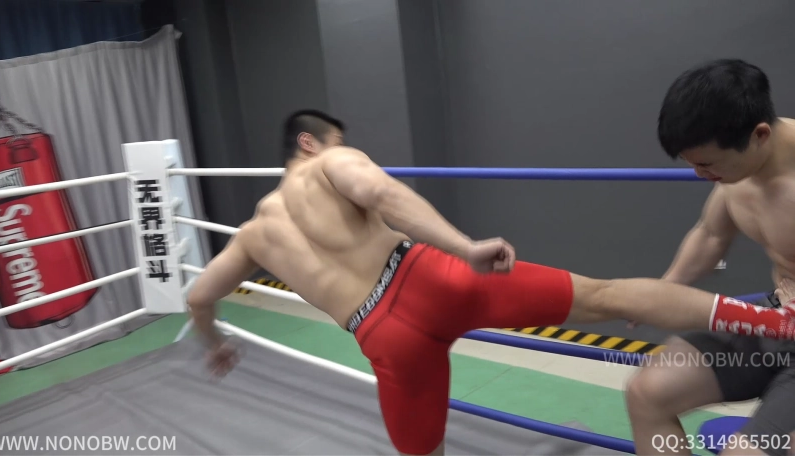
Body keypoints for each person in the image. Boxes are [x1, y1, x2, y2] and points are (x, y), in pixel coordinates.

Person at [186, 108, 795, 456]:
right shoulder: (329, 161)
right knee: (603, 296)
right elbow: (382, 192)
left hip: (381, 336)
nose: (346, 147)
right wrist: (464, 247)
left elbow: (198, 297)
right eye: (338, 140)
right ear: (310, 141)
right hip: (431, 279)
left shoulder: (251, 236)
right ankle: (773, 319)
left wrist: (214, 343)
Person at [625, 59, 795, 456]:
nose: (700, 175)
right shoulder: (739, 170)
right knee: (647, 393)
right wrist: (664, 289)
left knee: (744, 452)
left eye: (707, 164)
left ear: (759, 135)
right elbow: (710, 235)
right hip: (776, 320)